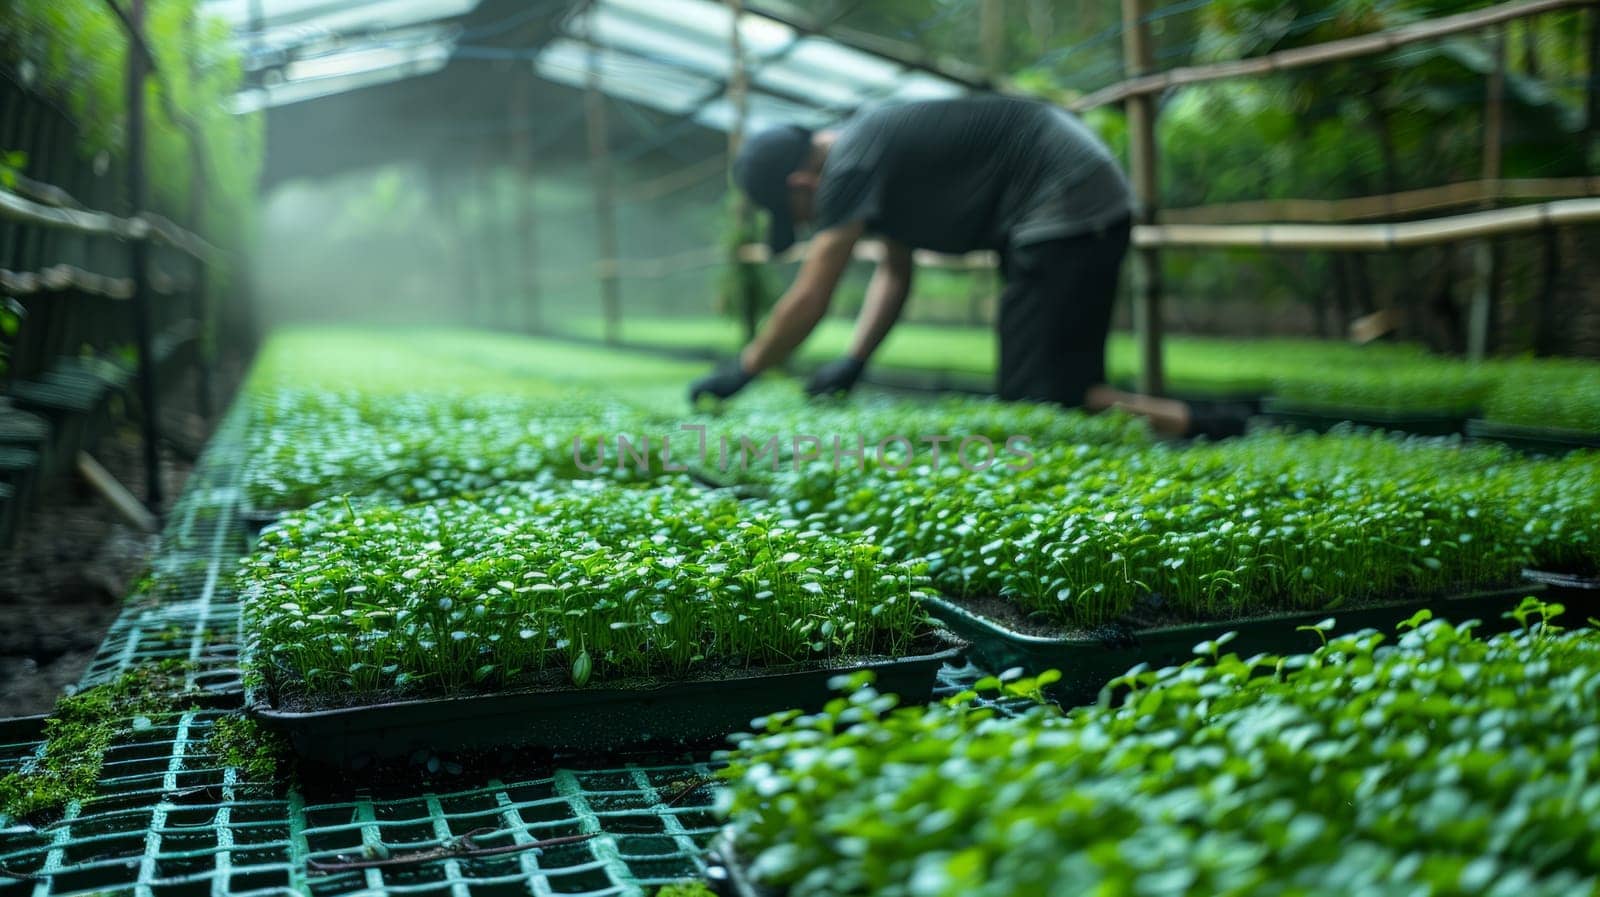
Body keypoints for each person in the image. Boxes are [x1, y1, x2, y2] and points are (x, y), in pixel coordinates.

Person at [688, 94, 1198, 435]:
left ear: (801, 184)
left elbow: (810, 295)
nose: (805, 225)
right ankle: (1186, 421)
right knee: (1051, 388)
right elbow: (895, 271)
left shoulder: (850, 166)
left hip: (1066, 204)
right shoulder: (866, 157)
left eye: (794, 214)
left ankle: (1197, 423)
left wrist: (744, 368)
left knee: (1038, 398)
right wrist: (856, 360)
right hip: (1070, 208)